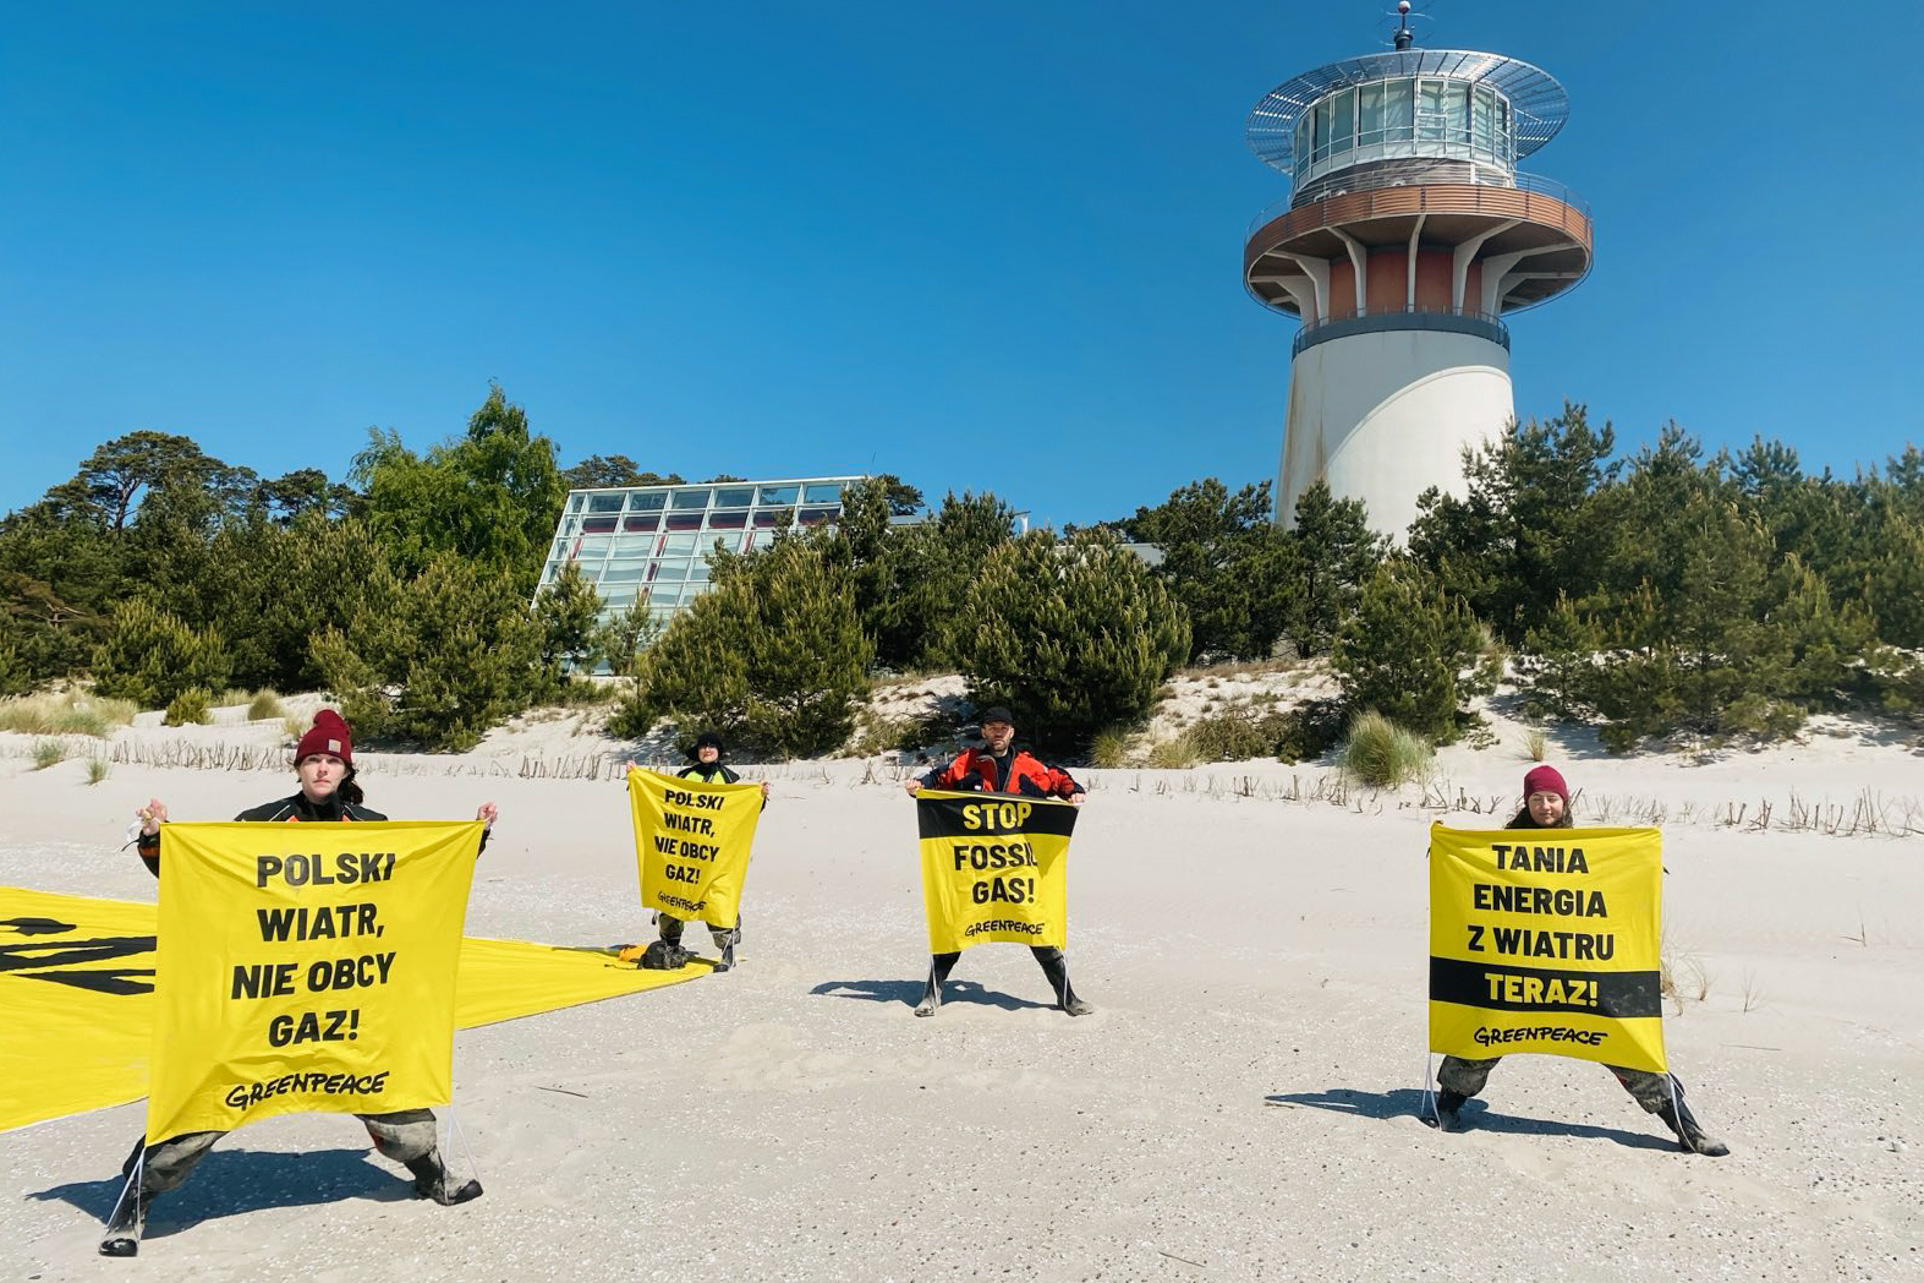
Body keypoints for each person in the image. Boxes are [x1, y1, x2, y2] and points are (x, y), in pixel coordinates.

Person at [100, 709, 500, 1257]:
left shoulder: (372, 828)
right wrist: (157, 842)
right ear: (298, 767)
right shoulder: (260, 824)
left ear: (345, 770)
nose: (321, 770)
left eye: (332, 761)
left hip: (349, 998)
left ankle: (431, 1174)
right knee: (205, 1101)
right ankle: (133, 1202)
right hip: (265, 1000)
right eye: (312, 759)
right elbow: (199, 879)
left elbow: (419, 880)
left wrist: (468, 840)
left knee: (396, 1105)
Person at [1430, 764, 1731, 1156]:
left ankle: (1686, 1127)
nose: (1545, 807)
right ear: (1527, 803)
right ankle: (1446, 1106)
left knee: (1627, 1043)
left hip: (1578, 970)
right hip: (1513, 968)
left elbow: (1614, 881)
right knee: (1482, 1035)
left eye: (1552, 798)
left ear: (1564, 801)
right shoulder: (1498, 848)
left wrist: (1642, 864)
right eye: (1536, 799)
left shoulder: (1588, 848)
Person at [902, 707, 1090, 1018]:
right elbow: (937, 779)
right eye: (992, 727)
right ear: (984, 732)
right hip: (975, 867)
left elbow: (1057, 778)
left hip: (1018, 867)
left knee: (1037, 927)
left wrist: (1074, 792)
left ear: (1012, 732)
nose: (998, 732)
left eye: (1004, 727)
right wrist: (918, 787)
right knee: (958, 924)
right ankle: (930, 996)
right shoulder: (967, 763)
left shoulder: (1029, 766)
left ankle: (1068, 997)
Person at [653, 731, 769, 972]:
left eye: (711, 746)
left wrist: (760, 797)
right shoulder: (685, 776)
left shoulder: (728, 778)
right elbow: (665, 799)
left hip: (716, 852)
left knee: (717, 899)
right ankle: (670, 944)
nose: (706, 750)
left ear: (718, 751)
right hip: (684, 849)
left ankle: (728, 950)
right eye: (702, 746)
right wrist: (636, 777)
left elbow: (743, 808)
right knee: (674, 894)